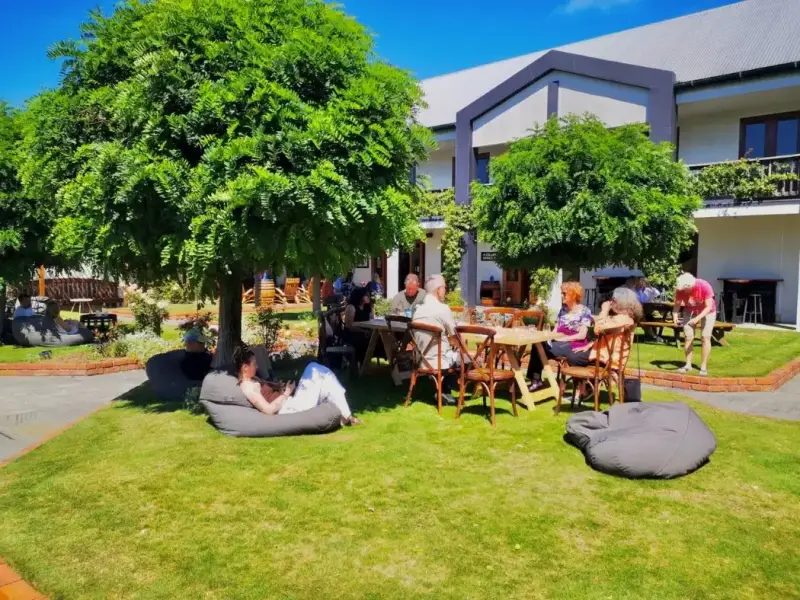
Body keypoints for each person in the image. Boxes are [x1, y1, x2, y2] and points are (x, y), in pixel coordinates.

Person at [235, 345, 361, 426]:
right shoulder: (247, 388)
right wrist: (287, 393)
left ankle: (345, 415)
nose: (256, 367)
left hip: (291, 401)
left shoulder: (254, 379)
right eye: (254, 364)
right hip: (288, 409)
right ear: (245, 367)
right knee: (318, 371)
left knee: (319, 372)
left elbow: (270, 390)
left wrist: (279, 385)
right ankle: (347, 416)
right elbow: (268, 410)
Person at [526, 281, 594, 391]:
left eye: (564, 293)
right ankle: (536, 379)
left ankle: (580, 387)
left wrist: (562, 338)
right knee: (537, 345)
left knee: (542, 349)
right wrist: (547, 336)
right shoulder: (563, 310)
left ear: (573, 294)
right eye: (562, 293)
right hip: (560, 341)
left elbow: (582, 335)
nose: (562, 296)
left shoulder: (585, 311)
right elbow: (556, 329)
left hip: (574, 343)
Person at [674, 272, 717, 376]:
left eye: (686, 289)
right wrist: (675, 317)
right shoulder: (680, 290)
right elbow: (677, 305)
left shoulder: (704, 286)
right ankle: (688, 365)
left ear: (691, 285)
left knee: (705, 337)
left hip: (708, 312)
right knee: (688, 337)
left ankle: (703, 367)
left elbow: (708, 307)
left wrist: (697, 318)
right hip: (689, 311)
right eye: (682, 290)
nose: (684, 292)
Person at [591, 287, 643, 368]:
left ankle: (581, 380)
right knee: (573, 352)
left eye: (613, 300)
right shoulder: (627, 317)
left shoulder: (623, 318)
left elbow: (597, 329)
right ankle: (583, 380)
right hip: (608, 356)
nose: (611, 302)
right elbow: (605, 322)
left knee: (571, 355)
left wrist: (604, 309)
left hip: (605, 359)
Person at [342, 287, 374, 365]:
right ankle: (361, 363)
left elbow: (372, 320)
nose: (368, 297)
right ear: (360, 296)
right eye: (366, 295)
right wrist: (364, 331)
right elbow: (349, 325)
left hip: (365, 332)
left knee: (377, 339)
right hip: (352, 333)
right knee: (364, 340)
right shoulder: (351, 307)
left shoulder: (367, 308)